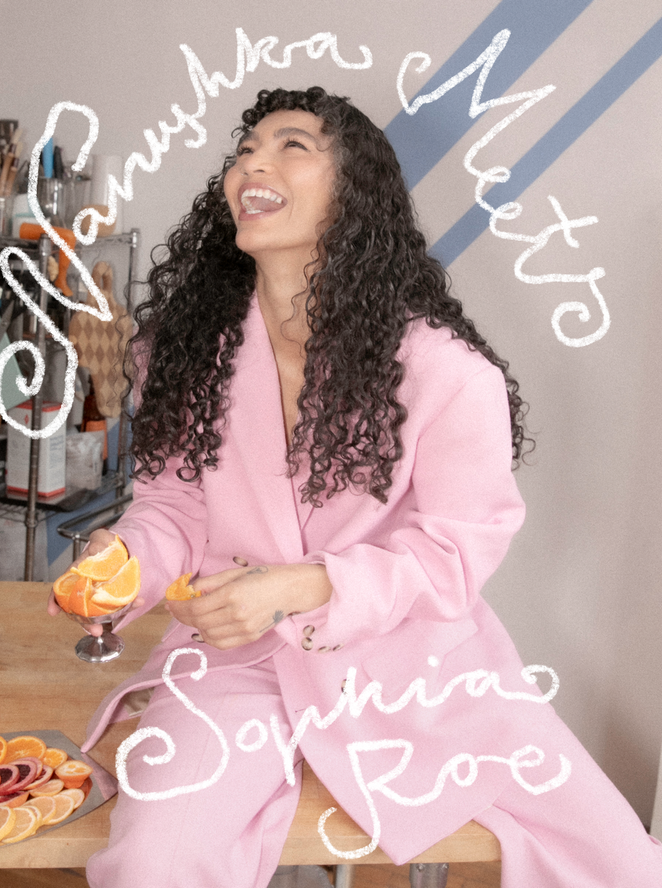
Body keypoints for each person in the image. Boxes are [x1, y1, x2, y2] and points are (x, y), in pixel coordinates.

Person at [52, 87, 662, 887]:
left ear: (354, 193)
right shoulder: (185, 352)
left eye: (292, 146)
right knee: (151, 863)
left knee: (617, 860)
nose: (253, 164)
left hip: (415, 666)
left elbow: (454, 552)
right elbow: (172, 506)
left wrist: (299, 588)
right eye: (245, 149)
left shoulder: (449, 373)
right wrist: (126, 561)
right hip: (235, 663)